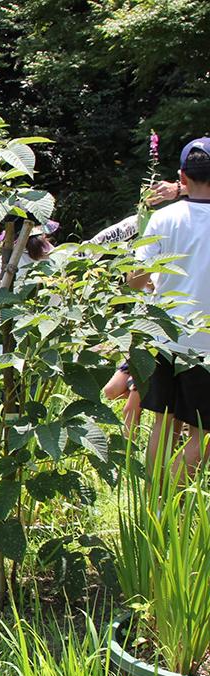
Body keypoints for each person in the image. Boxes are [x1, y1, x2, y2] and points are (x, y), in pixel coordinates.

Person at [128, 137, 210, 478]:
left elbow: (134, 279)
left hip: (161, 335)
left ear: (181, 176)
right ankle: (169, 499)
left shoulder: (163, 219)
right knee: (203, 433)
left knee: (163, 420)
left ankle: (151, 502)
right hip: (205, 345)